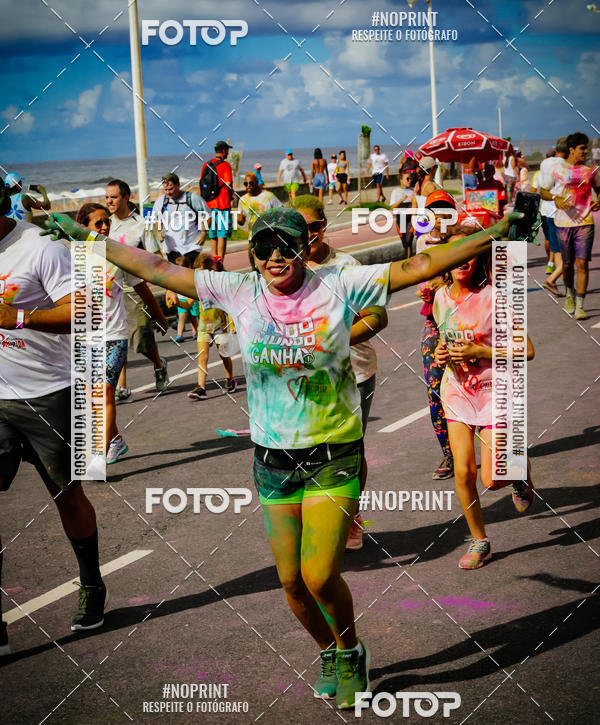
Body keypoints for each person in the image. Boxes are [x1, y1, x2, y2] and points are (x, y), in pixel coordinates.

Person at [43, 204, 524, 709]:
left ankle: (351, 650)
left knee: (319, 575)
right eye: (264, 246)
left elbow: (422, 264)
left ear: (304, 246)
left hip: (332, 454)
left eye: (287, 244)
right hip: (272, 462)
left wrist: (496, 231)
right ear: (252, 253)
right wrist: (81, 236)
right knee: (291, 583)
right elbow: (156, 268)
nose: (276, 256)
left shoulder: (340, 281)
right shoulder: (238, 290)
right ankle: (329, 651)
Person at [0, 180, 107, 652]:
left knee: (67, 495)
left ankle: (92, 582)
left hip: (50, 393)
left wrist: (18, 318)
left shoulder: (39, 245)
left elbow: (82, 311)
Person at [293, 194, 388, 551]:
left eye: (313, 226)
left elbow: (375, 316)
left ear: (324, 226)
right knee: (307, 449)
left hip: (354, 373)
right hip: (305, 377)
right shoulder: (286, 268)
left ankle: (351, 514)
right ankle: (316, 517)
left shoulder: (347, 266)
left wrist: (334, 341)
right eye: (299, 228)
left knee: (349, 449)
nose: (307, 234)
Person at [434, 246, 535, 569]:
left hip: (495, 393)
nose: (462, 261)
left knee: (491, 480)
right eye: (455, 255)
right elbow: (445, 340)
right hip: (457, 392)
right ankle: (479, 541)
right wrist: (441, 353)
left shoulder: (494, 298)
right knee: (464, 471)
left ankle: (519, 472)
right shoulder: (440, 298)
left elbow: (527, 350)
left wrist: (480, 351)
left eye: (469, 255)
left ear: (478, 260)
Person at [75, 203, 167, 464]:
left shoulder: (117, 254)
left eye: (107, 221)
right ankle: (115, 440)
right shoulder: (72, 255)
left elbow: (141, 287)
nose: (105, 226)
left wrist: (159, 316)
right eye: (99, 223)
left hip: (114, 334)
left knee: (104, 391)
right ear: (83, 226)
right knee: (91, 397)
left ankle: (97, 458)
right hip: (83, 336)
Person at [105, 179, 169, 401]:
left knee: (141, 339)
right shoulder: (104, 224)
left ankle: (159, 364)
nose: (109, 201)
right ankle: (121, 386)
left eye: (114, 197)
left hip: (134, 289)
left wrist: (169, 288)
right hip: (110, 290)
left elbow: (157, 258)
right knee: (117, 337)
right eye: (107, 197)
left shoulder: (141, 225)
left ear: (126, 197)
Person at [416, 191, 462, 481]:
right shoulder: (423, 242)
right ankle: (450, 453)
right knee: (435, 390)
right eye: (435, 211)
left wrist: (444, 282)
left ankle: (503, 452)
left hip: (469, 321)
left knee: (481, 386)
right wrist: (426, 288)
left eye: (446, 210)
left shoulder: (465, 242)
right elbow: (417, 277)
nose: (440, 216)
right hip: (435, 322)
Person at [541, 132, 600, 319]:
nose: (586, 152)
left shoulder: (589, 171)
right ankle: (569, 294)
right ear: (572, 149)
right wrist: (555, 198)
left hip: (585, 223)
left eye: (587, 148)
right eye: (583, 148)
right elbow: (543, 191)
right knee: (567, 265)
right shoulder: (557, 169)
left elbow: (599, 189)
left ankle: (580, 306)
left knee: (582, 263)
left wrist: (599, 201)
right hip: (563, 223)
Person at [180, 254, 238, 400]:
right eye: (197, 272)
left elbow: (230, 305)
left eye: (201, 272)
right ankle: (201, 388)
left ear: (210, 270)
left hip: (220, 325)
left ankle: (230, 379)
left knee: (224, 355)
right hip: (204, 326)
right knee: (202, 357)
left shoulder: (219, 285)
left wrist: (233, 324)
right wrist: (176, 302)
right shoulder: (198, 288)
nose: (199, 276)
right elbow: (187, 304)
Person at [152, 172, 208, 263]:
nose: (168, 192)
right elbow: (156, 219)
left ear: (178, 185)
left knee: (189, 271)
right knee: (175, 272)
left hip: (191, 247)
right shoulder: (161, 201)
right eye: (165, 190)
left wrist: (204, 233)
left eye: (171, 189)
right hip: (171, 248)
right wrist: (158, 231)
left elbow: (207, 216)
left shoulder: (193, 199)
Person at [536, 140, 568, 295]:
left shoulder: (545, 163)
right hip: (562, 213)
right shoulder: (566, 165)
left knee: (556, 251)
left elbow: (542, 189)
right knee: (570, 253)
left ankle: (562, 284)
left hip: (547, 211)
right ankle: (555, 281)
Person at [200, 140, 234, 264]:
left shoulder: (206, 164)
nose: (228, 153)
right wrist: (231, 196)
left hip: (209, 205)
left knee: (213, 235)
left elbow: (201, 184)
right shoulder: (225, 165)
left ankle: (214, 260)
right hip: (222, 204)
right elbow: (228, 184)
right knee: (222, 235)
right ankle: (220, 262)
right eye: (227, 150)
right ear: (224, 151)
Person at [165, 255, 199, 343]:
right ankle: (180, 334)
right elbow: (172, 287)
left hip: (191, 299)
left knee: (193, 317)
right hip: (182, 300)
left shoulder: (192, 275)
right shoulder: (177, 277)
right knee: (182, 317)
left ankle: (195, 331)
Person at [390, 169, 416, 257]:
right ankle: (407, 260)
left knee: (409, 241)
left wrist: (414, 201)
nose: (409, 181)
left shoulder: (413, 190)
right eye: (407, 179)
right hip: (401, 218)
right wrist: (402, 200)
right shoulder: (396, 191)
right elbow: (392, 207)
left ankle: (409, 260)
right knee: (405, 243)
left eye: (410, 178)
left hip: (410, 218)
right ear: (401, 180)